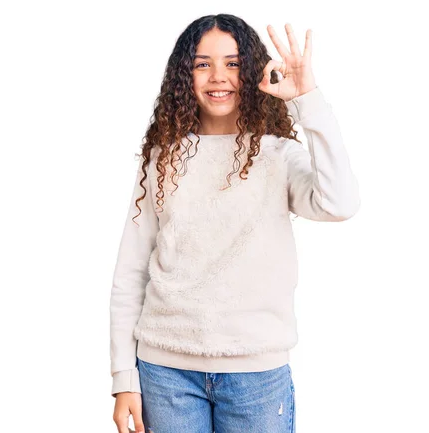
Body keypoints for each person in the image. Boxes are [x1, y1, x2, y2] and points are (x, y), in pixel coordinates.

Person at [109, 14, 360, 433]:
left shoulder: (278, 156)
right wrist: (123, 379)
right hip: (165, 371)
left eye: (233, 62)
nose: (218, 76)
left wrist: (308, 100)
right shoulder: (162, 159)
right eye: (203, 64)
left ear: (252, 72)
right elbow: (130, 272)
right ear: (183, 75)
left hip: (256, 375)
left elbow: (341, 203)